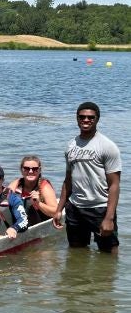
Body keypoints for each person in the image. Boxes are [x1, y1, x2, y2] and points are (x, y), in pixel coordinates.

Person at [53, 102, 121, 253]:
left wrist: (109, 218)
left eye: (91, 117)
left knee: (108, 255)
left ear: (97, 119)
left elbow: (114, 185)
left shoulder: (107, 146)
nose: (86, 120)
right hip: (75, 209)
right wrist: (59, 209)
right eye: (82, 117)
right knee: (76, 254)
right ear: (77, 118)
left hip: (100, 209)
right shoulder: (71, 146)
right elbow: (68, 180)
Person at [8, 155, 58, 225]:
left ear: (39, 170)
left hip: (40, 223)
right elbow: (3, 200)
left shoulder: (44, 186)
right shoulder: (16, 184)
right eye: (26, 168)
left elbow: (56, 212)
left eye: (35, 169)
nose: (30, 171)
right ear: (21, 170)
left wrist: (38, 203)